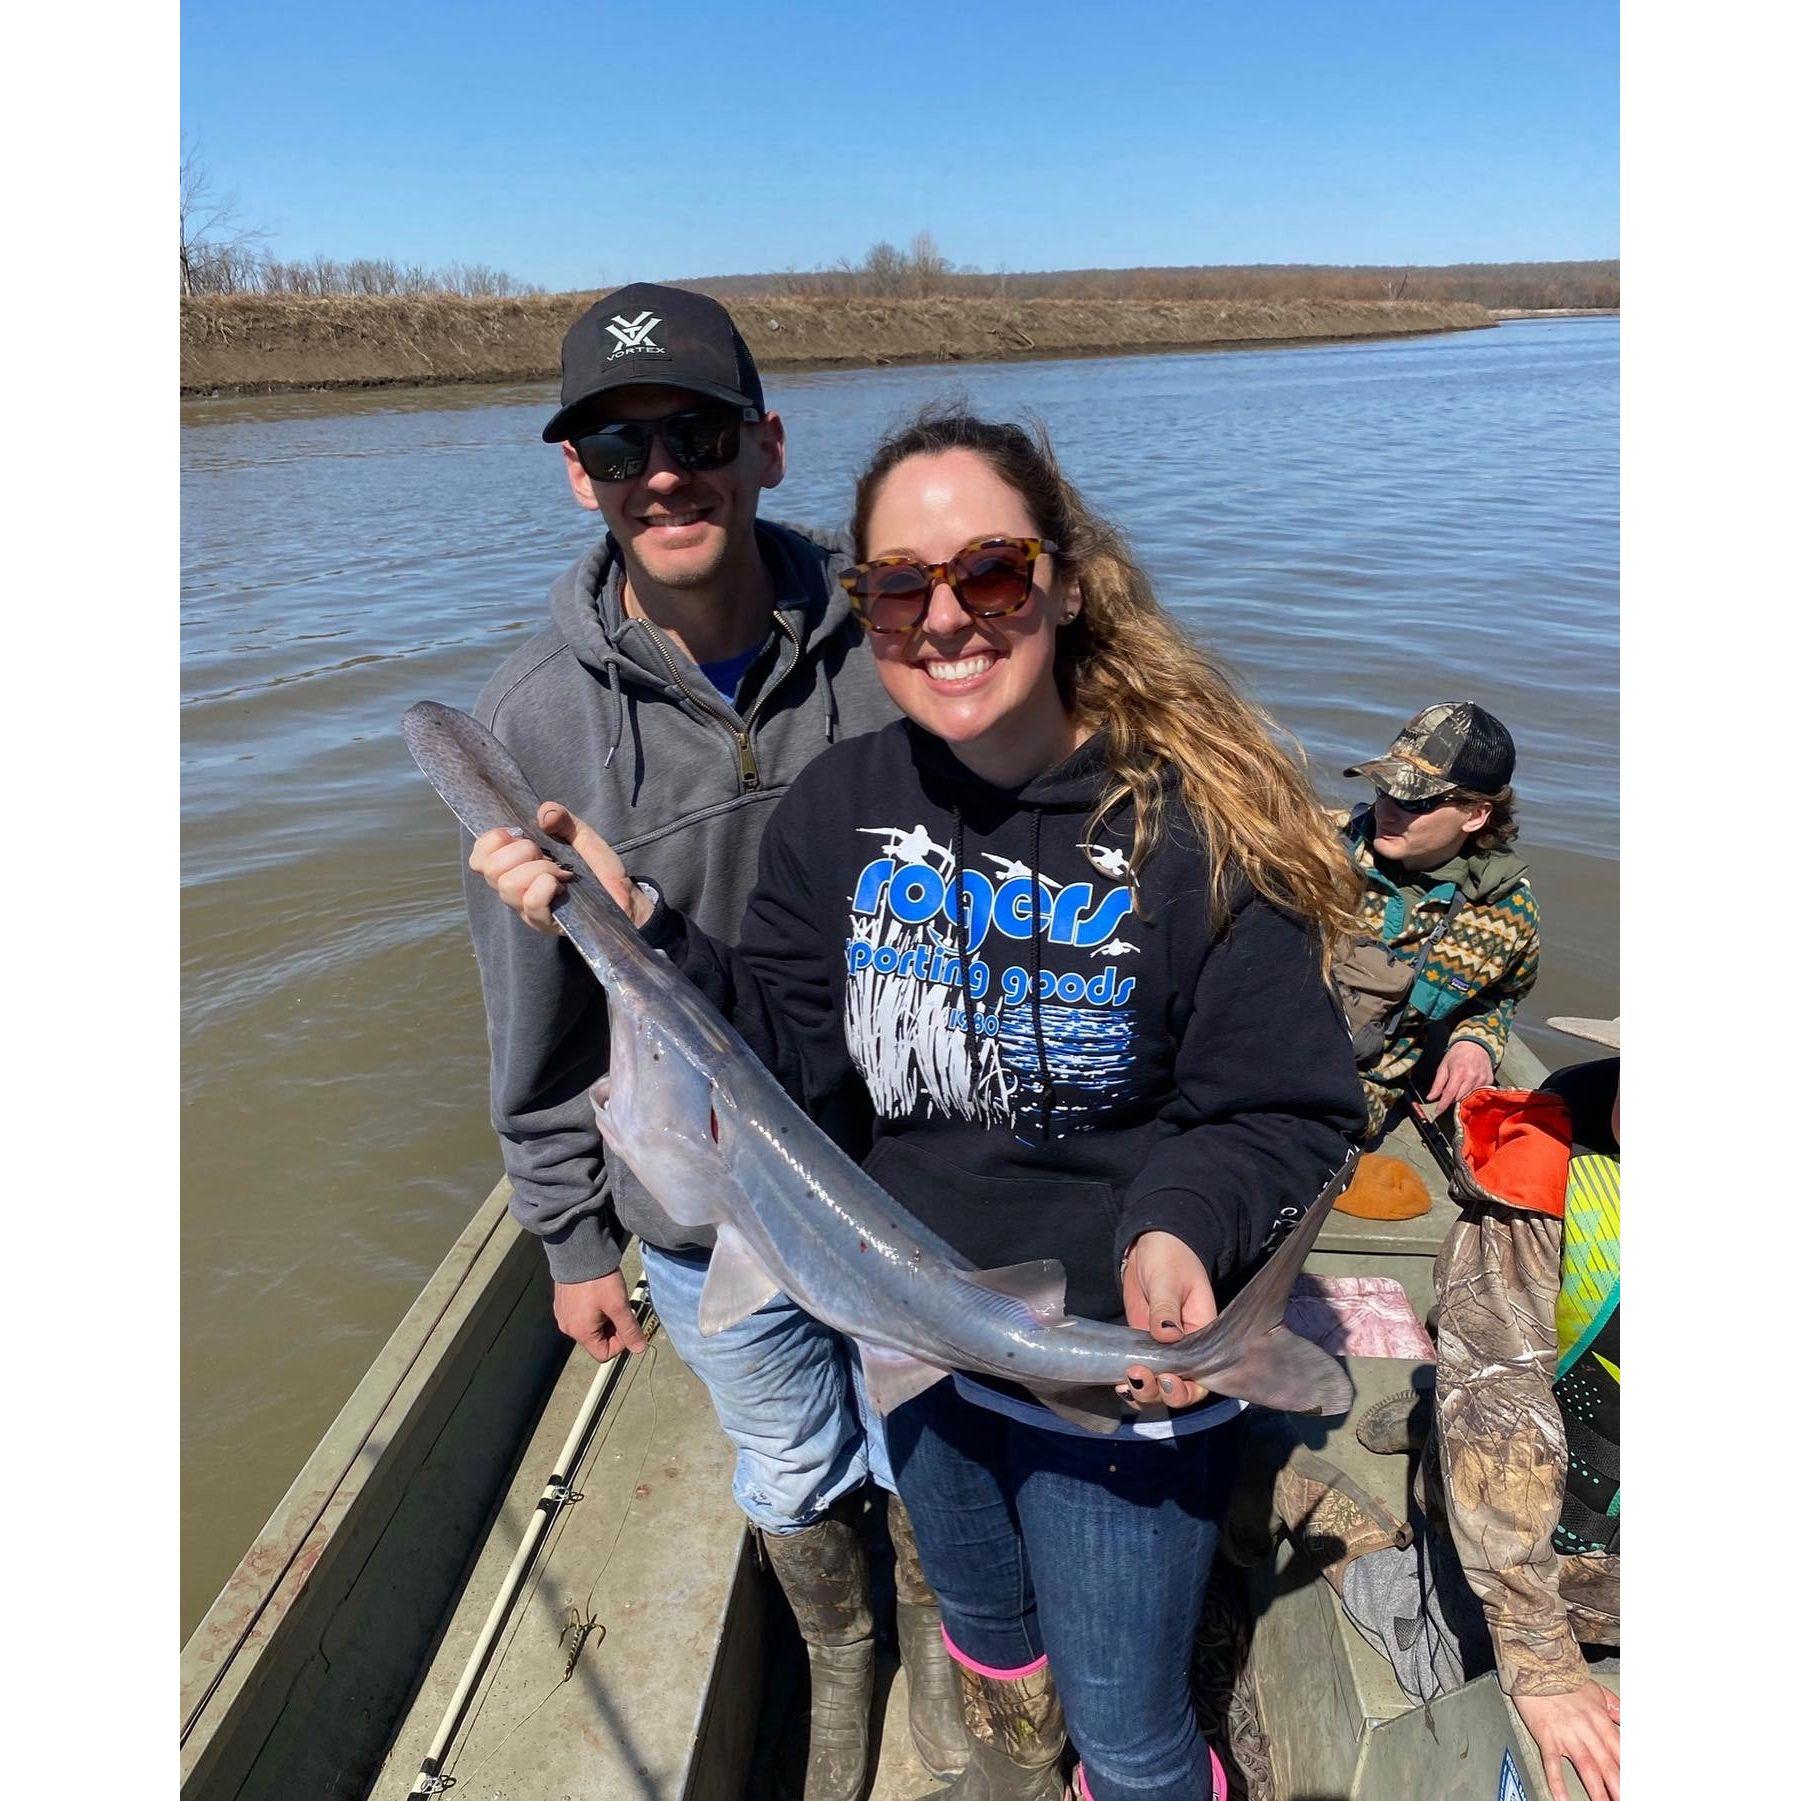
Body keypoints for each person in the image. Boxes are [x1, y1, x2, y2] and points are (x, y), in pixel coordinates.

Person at [473, 408, 1366, 1801]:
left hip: (1118, 1366)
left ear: (1066, 582)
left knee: (1130, 1723)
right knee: (985, 1627)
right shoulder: (839, 806)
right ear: (868, 610)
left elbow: (1284, 1110)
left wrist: (1181, 1234)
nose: (945, 618)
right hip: (911, 1334)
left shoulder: (1200, 824)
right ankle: (1012, 1756)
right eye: (899, 586)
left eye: (990, 576)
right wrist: (639, 915)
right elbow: (782, 1058)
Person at [461, 283, 959, 1799]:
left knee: (940, 1451)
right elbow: (529, 1011)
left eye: (696, 430)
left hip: (907, 1172)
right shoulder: (534, 720)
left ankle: (953, 1655)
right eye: (618, 446)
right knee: (792, 1458)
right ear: (577, 478)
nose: (661, 471)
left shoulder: (900, 647)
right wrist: (565, 1236)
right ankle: (841, 1671)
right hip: (690, 1212)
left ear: (769, 447)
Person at [1338, 1016, 1622, 1801]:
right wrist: (1540, 1656)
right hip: (1543, 1544)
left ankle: (1432, 1413)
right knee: (1433, 1655)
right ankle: (1310, 1485)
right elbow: (1501, 1411)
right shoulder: (1554, 1174)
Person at [1338, 703, 1541, 1138]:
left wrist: (1476, 1041)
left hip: (1351, 1100)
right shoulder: (1313, 854)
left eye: (1416, 800)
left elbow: (1500, 996)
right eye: (1384, 790)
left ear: (1476, 814)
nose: (1388, 811)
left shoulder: (1506, 914)